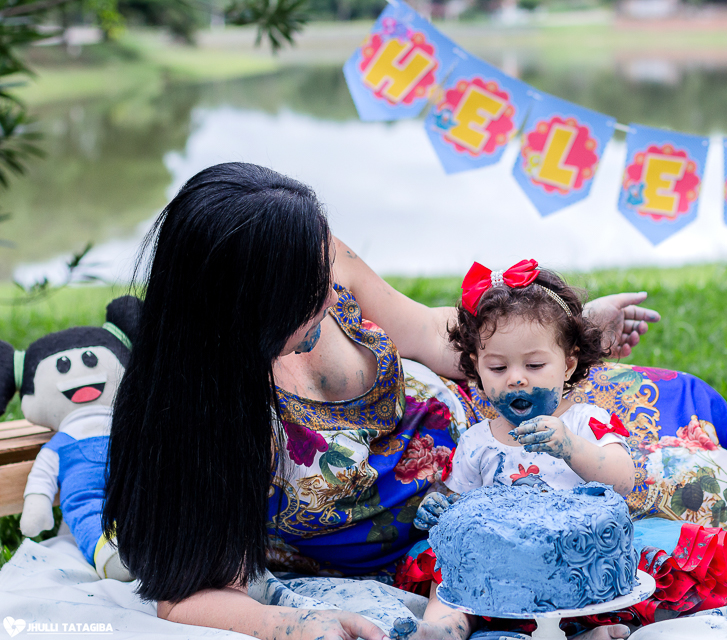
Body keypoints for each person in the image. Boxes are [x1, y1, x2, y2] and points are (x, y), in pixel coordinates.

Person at [103, 163, 659, 640]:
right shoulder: (194, 419)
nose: (329, 288)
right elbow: (185, 595)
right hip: (424, 549)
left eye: (324, 267)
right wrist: (289, 625)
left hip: (496, 442)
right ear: (250, 310)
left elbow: (429, 331)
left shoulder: (313, 253)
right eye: (309, 290)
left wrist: (569, 332)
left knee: (700, 486)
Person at [405, 259, 637, 640]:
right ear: (476, 368)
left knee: (599, 581)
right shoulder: (478, 441)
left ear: (568, 365)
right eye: (497, 368)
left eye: (534, 364)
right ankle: (443, 629)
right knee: (450, 567)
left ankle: (582, 633)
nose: (516, 378)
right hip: (497, 576)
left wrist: (570, 447)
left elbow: (624, 479)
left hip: (572, 566)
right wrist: (442, 508)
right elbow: (461, 503)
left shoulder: (585, 422)